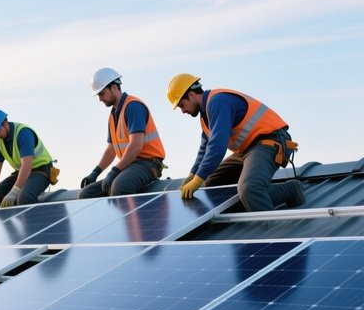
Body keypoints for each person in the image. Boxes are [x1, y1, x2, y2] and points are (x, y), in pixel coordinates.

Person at [166, 73, 304, 211]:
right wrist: (192, 175)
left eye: (182, 105)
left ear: (191, 95)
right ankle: (252, 200)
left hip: (271, 141)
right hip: (247, 150)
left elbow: (217, 147)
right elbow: (205, 149)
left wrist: (198, 179)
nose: (183, 111)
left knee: (250, 188)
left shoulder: (218, 102)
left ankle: (290, 192)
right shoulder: (205, 116)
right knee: (213, 186)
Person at [79, 68, 166, 199]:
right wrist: (95, 172)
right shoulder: (113, 115)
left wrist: (115, 171)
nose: (100, 99)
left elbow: (135, 145)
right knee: (86, 194)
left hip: (148, 163)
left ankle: (137, 213)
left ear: (114, 87)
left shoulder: (133, 107)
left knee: (120, 187)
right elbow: (111, 149)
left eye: (101, 93)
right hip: (128, 166)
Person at [0, 109, 56, 209]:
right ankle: (20, 216)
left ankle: (39, 217)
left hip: (41, 170)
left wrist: (14, 191)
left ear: (5, 123)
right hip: (22, 172)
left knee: (25, 197)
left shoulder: (23, 133)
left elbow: (27, 165)